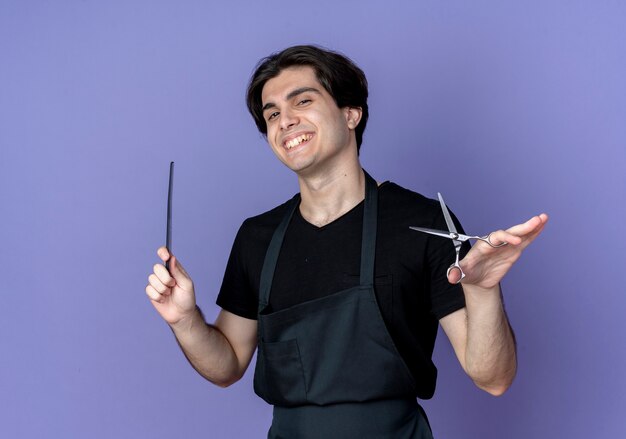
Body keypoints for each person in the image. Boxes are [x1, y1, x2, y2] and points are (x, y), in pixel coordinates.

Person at [145, 45, 548, 438]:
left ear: (351, 113)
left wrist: (482, 290)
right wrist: (185, 320)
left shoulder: (421, 223)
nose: (285, 120)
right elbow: (227, 364)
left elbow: (493, 379)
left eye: (302, 101)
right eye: (272, 114)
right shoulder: (257, 237)